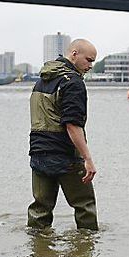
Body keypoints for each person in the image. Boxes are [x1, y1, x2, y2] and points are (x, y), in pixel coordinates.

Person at [27, 39, 99, 230]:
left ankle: (39, 253)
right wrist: (87, 159)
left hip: (38, 152)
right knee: (85, 207)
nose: (90, 66)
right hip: (65, 155)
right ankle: (84, 254)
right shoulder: (73, 83)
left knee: (40, 210)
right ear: (74, 54)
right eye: (88, 60)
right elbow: (72, 125)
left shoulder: (42, 80)